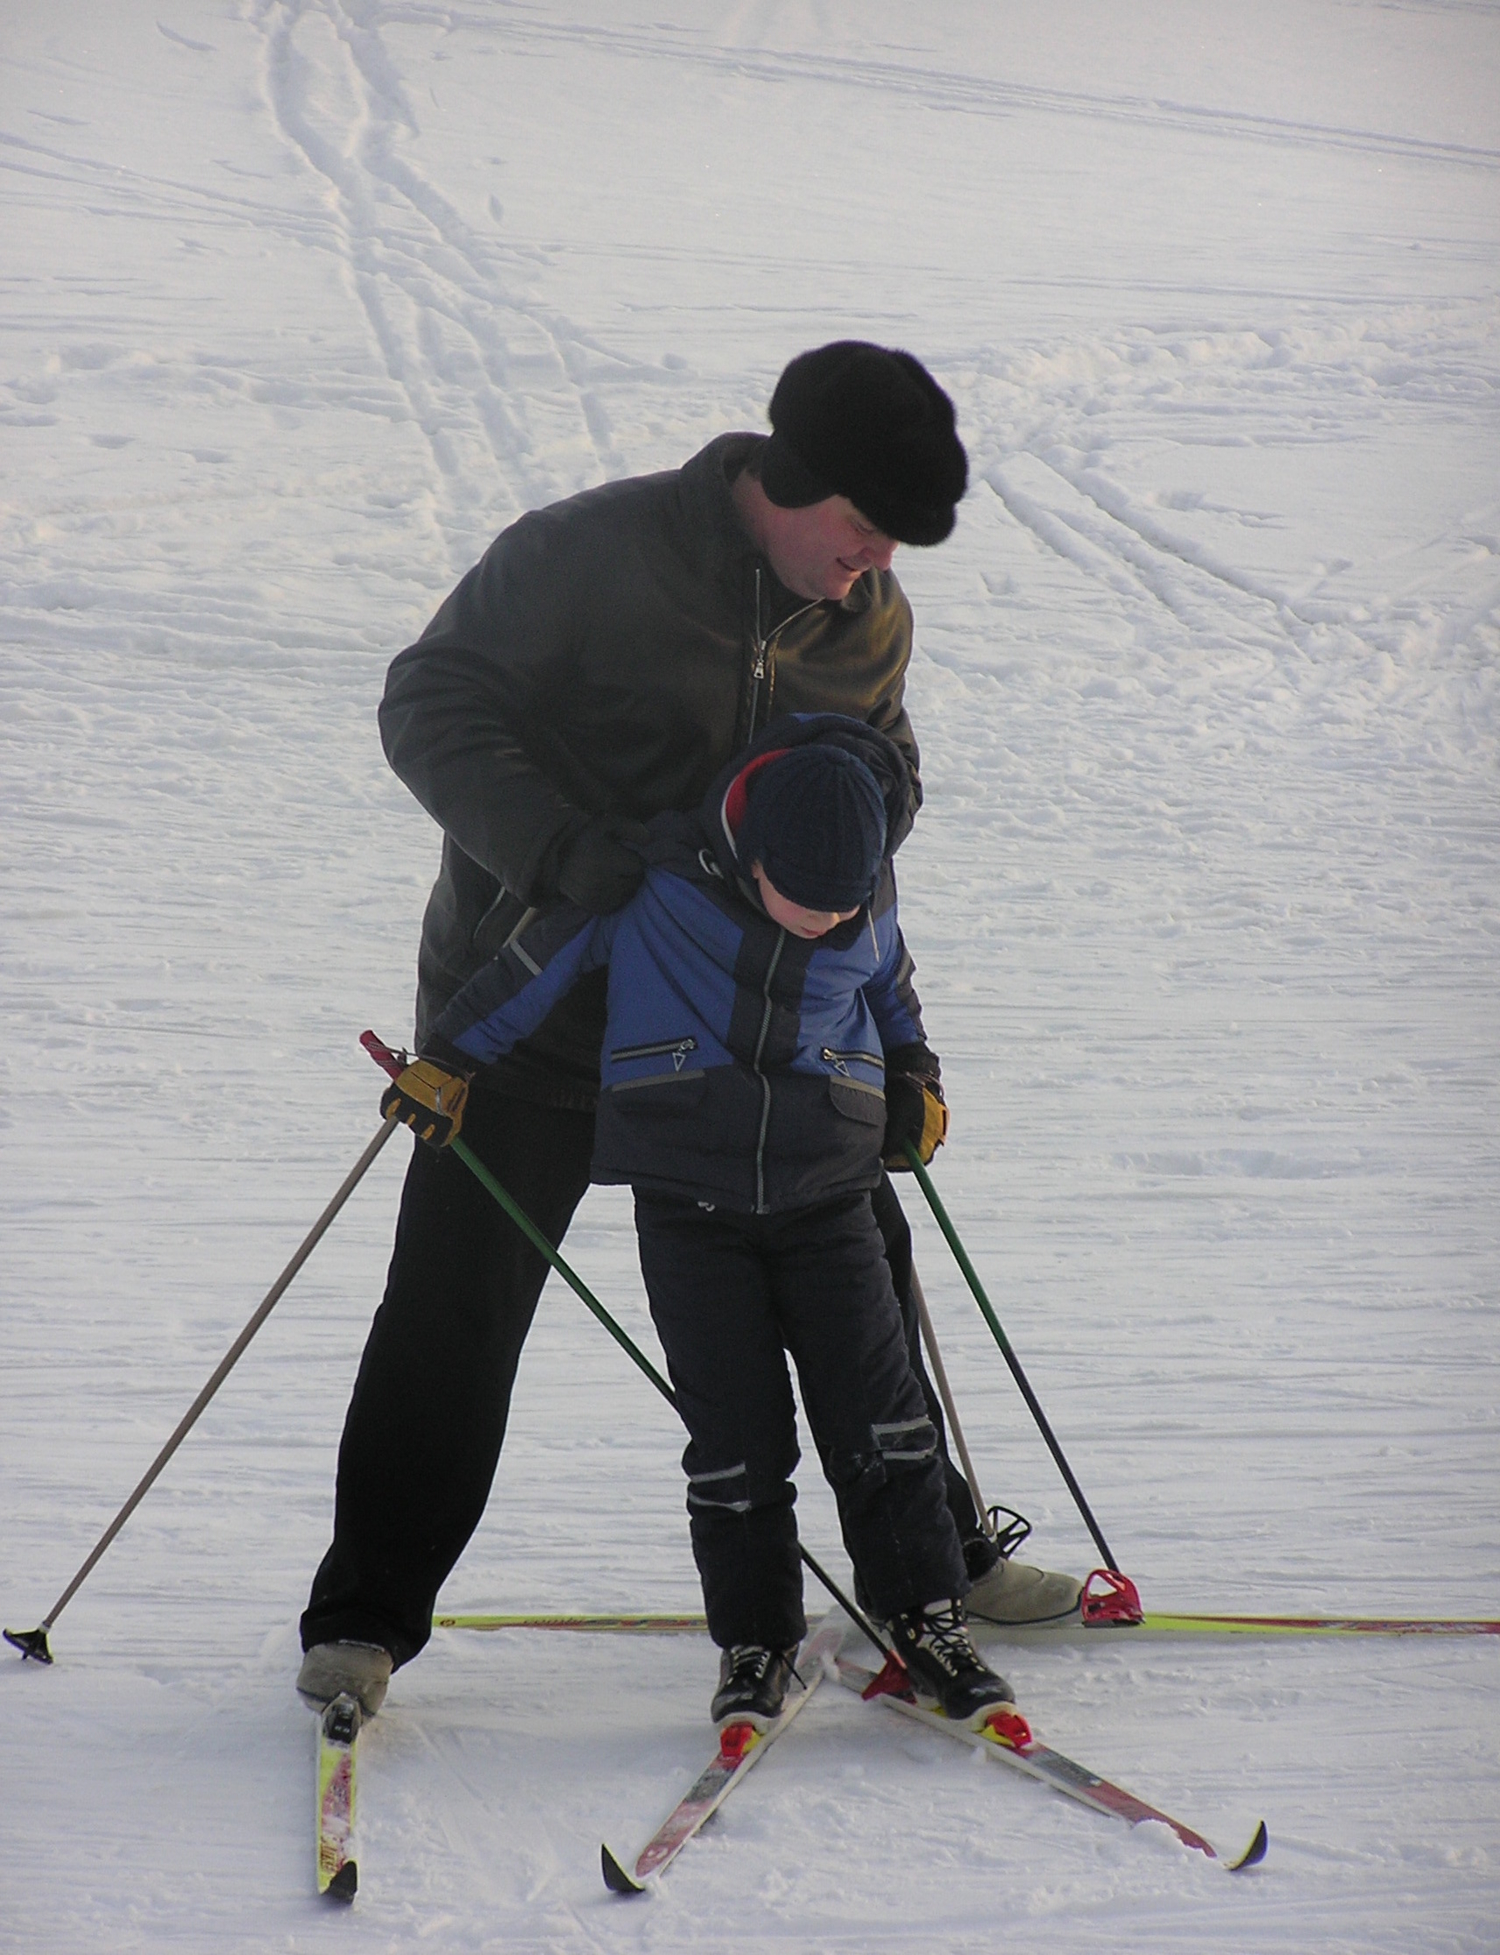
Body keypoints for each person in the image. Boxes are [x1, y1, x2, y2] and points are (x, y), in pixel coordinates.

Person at [297, 342, 1078, 1721]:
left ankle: (938, 1557)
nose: (874, 562)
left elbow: (885, 778)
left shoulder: (867, 616)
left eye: (892, 544)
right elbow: (428, 700)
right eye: (862, 528)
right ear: (790, 480)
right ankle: (364, 1617)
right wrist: (556, 848)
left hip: (758, 1039)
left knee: (864, 1291)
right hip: (537, 1002)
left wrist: (885, 1025)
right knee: (456, 1310)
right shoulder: (582, 556)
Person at [385, 714, 1017, 1730]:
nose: (822, 922)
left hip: (832, 1192)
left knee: (883, 1418)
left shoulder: (864, 893)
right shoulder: (652, 883)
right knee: (734, 1437)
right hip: (690, 1204)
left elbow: (892, 989)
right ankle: (757, 1639)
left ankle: (926, 1616)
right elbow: (530, 968)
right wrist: (448, 1058)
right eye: (800, 901)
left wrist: (916, 1076)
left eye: (841, 905)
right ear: (750, 855)